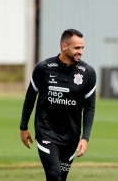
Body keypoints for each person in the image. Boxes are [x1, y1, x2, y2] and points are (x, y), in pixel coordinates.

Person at [20, 28, 96, 181]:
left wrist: (85, 137)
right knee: (54, 174)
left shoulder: (88, 72)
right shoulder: (43, 68)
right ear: (64, 46)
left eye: (82, 48)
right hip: (46, 132)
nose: (80, 51)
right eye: (77, 48)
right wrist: (24, 126)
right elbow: (30, 97)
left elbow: (89, 107)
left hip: (71, 136)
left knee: (61, 178)